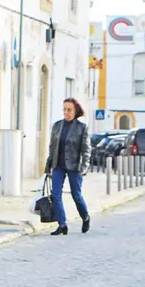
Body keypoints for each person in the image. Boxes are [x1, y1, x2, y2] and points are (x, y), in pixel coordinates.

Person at [44, 97, 91, 236]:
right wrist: (48, 166)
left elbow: (86, 149)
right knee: (55, 195)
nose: (66, 112)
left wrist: (83, 168)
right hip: (58, 165)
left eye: (69, 110)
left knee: (76, 195)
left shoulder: (82, 128)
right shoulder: (57, 126)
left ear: (75, 111)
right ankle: (62, 224)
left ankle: (85, 217)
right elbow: (52, 147)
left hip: (74, 166)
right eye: (64, 109)